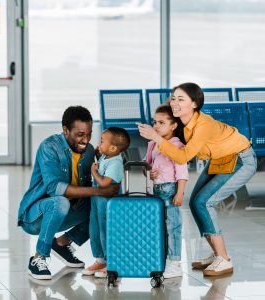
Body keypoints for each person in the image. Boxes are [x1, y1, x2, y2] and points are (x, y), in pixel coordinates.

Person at [138, 83, 257, 276]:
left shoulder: (204, 125)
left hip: (241, 159)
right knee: (195, 203)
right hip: (220, 160)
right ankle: (216, 253)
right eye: (174, 98)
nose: (175, 102)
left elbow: (182, 156)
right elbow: (169, 148)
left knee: (205, 201)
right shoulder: (183, 124)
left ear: (194, 104)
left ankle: (224, 258)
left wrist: (156, 137)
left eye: (181, 99)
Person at [17, 106, 119, 280]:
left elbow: (96, 182)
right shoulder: (49, 147)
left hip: (67, 213)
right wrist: (98, 190)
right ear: (65, 130)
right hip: (36, 216)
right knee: (61, 201)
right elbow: (55, 189)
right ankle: (39, 257)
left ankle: (62, 244)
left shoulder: (88, 151)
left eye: (89, 134)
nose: (86, 140)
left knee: (101, 206)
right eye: (80, 135)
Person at [143, 105, 188, 279]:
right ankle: (162, 258)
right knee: (159, 226)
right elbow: (146, 164)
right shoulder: (153, 144)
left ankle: (175, 263)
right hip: (156, 190)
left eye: (161, 122)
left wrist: (180, 193)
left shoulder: (177, 146)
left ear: (173, 126)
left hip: (171, 190)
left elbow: (182, 172)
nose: (156, 126)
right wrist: (149, 171)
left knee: (173, 226)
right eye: (154, 122)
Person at [82, 127, 130, 278]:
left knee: (106, 231)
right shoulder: (106, 157)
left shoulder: (115, 162)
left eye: (102, 141)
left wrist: (94, 173)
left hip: (108, 204)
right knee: (94, 229)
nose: (99, 143)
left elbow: (104, 183)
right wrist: (99, 152)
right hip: (97, 202)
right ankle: (100, 259)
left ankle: (112, 262)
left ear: (113, 148)